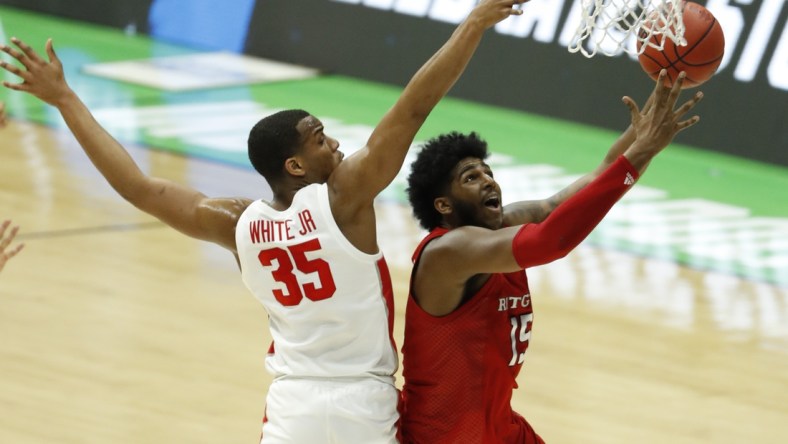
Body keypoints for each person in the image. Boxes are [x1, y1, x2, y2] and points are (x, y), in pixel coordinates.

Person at [0, 1, 527, 442]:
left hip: (291, 408)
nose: (336, 144)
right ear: (295, 166)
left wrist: (66, 100)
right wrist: (473, 23)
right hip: (362, 406)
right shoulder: (344, 199)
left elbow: (138, 187)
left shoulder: (237, 224)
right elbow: (414, 107)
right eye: (321, 139)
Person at [400, 70, 704, 443]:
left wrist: (652, 121)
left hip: (497, 429)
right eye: (471, 178)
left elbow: (598, 179)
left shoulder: (503, 224)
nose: (488, 180)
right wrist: (640, 152)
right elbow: (552, 241)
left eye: (487, 171)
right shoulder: (448, 252)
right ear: (443, 205)